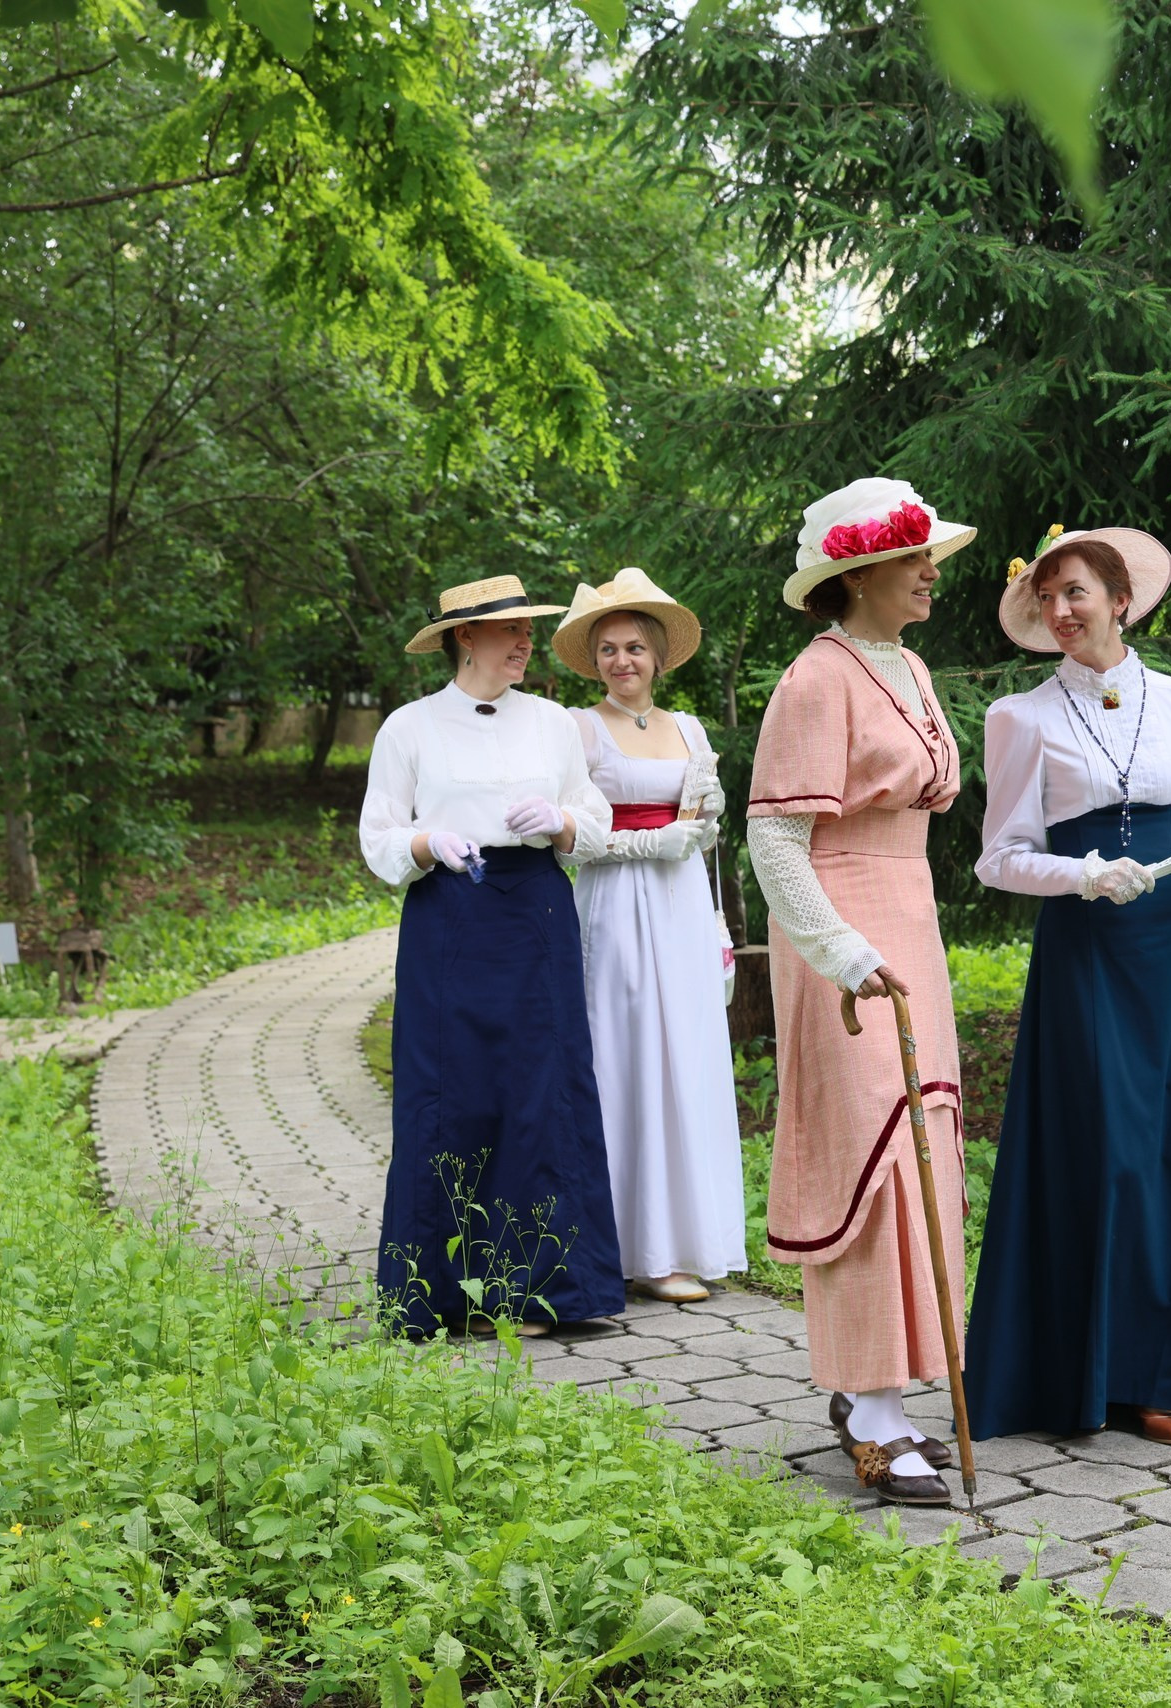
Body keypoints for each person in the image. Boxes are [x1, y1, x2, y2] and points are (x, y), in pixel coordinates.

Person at [962, 525, 1171, 1443]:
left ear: (1120, 598)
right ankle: (1086, 1373)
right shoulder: (1021, 717)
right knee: (1107, 1150)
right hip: (1087, 950)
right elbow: (999, 858)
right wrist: (1080, 875)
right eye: (1047, 598)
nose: (1061, 611)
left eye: (1075, 592)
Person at [746, 477, 977, 1506]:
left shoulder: (910, 665)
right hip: (839, 931)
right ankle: (872, 1408)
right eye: (914, 556)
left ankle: (888, 1385)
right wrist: (839, 951)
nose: (932, 571)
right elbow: (774, 838)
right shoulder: (814, 678)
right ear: (859, 573)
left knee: (924, 1139)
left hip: (909, 916)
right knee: (870, 1151)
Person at [357, 575, 622, 1339]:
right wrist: (426, 841)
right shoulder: (408, 727)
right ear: (464, 637)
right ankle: (441, 1292)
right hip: (450, 916)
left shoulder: (552, 722)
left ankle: (542, 1290)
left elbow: (594, 821)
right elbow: (378, 835)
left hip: (536, 912)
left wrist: (561, 819)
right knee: (451, 1093)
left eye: (528, 629)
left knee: (541, 1092)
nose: (525, 641)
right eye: (511, 629)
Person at [551, 567, 745, 1304]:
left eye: (634, 647)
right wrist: (646, 843)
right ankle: (622, 1247)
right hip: (616, 905)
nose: (621, 661)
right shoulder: (578, 729)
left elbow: (699, 824)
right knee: (623, 1054)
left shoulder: (689, 728)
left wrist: (703, 820)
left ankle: (683, 1242)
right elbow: (567, 838)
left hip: (682, 906)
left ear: (659, 655)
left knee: (684, 1054)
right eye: (608, 649)